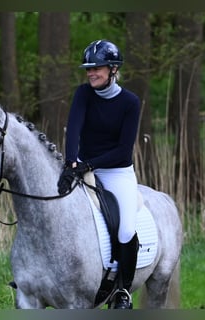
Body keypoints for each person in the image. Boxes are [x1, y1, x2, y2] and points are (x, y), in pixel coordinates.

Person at [57, 39, 141, 309]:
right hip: (82, 165)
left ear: (113, 69)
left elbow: (122, 151)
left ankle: (122, 293)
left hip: (117, 172)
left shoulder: (130, 102)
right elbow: (74, 129)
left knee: (126, 229)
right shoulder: (83, 93)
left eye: (97, 68)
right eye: (88, 69)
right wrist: (72, 162)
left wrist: (89, 165)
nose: (91, 73)